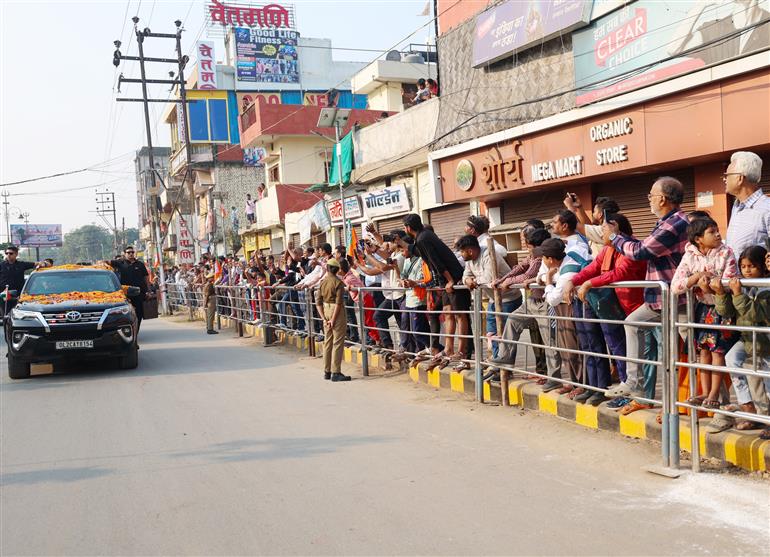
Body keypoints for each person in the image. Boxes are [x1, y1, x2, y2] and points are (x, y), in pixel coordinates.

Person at [604, 177, 689, 402]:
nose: (649, 199)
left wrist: (613, 237)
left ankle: (716, 402)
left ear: (662, 199)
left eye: (651, 195)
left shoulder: (675, 223)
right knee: (633, 324)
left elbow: (641, 251)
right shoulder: (665, 222)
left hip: (678, 299)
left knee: (695, 351)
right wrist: (616, 237)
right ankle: (634, 382)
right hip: (661, 299)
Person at [565, 213, 647, 410]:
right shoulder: (608, 249)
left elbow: (621, 272)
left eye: (603, 229)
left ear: (615, 227)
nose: (600, 233)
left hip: (636, 307)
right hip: (617, 307)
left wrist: (589, 283)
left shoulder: (630, 247)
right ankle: (628, 391)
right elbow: (594, 267)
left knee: (635, 354)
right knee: (619, 350)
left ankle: (638, 394)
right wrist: (573, 280)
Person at [672, 216, 738, 409]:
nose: (718, 234)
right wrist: (697, 277)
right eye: (712, 232)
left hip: (722, 308)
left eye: (717, 230)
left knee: (718, 352)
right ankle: (705, 392)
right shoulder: (689, 255)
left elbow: (728, 282)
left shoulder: (726, 252)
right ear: (698, 239)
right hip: (703, 309)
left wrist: (709, 286)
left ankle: (714, 394)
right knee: (704, 351)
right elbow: (675, 286)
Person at [399, 213, 470, 370]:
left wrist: (450, 280)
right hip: (444, 280)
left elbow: (436, 262)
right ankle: (449, 349)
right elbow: (419, 252)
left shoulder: (423, 238)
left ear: (408, 228)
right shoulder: (422, 237)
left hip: (452, 277)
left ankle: (462, 352)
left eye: (404, 227)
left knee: (460, 315)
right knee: (448, 313)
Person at [713, 245, 770, 434]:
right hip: (749, 339)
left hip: (765, 342)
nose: (747, 271)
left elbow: (755, 314)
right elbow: (727, 312)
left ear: (762, 266)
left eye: (752, 266)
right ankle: (748, 408)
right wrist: (721, 294)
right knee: (731, 359)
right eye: (743, 266)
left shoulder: (766, 287)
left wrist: (737, 294)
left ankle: (766, 418)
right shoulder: (742, 286)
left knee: (767, 382)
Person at [457, 234, 520, 368]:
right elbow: (466, 276)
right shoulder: (469, 260)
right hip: (493, 299)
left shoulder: (489, 254)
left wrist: (473, 281)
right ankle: (497, 364)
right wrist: (468, 280)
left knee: (505, 336)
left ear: (470, 251)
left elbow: (489, 278)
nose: (461, 255)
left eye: (462, 251)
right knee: (492, 335)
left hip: (508, 298)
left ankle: (505, 368)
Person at [316, 258, 350, 382]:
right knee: (337, 342)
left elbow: (318, 302)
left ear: (328, 268)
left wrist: (324, 319)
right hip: (336, 312)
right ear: (337, 270)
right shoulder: (338, 283)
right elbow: (338, 303)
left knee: (328, 342)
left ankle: (327, 371)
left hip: (326, 310)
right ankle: (336, 372)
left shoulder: (323, 282)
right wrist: (333, 319)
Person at [110, 246, 151, 333]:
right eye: (128, 252)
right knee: (126, 313)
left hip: (139, 293)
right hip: (126, 294)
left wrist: (148, 290)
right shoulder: (120, 263)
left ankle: (136, 331)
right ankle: (128, 331)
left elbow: (146, 277)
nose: (131, 254)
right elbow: (108, 263)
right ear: (124, 254)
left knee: (139, 313)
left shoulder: (140, 264)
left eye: (132, 252)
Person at [0, 246, 40, 315]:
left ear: (16, 254)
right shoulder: (1, 265)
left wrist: (44, 263)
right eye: (7, 253)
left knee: (19, 313)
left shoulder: (21, 264)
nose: (8, 255)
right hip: (4, 294)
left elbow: (37, 264)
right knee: (6, 314)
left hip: (19, 295)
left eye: (11, 253)